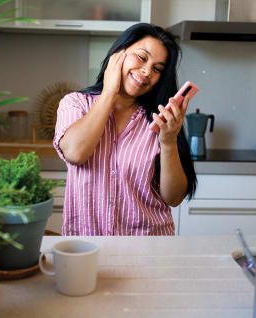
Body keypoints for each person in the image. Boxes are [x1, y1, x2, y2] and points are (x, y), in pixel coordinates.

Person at [53, 23, 197, 236]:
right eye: (141, 57)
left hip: (149, 246)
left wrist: (168, 142)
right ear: (117, 55)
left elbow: (173, 198)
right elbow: (75, 153)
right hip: (87, 247)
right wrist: (109, 92)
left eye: (157, 68)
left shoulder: (161, 120)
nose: (147, 71)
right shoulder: (75, 104)